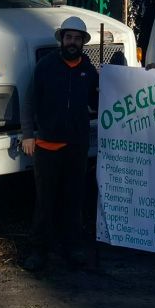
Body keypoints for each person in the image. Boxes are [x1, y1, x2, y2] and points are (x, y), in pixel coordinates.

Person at [21, 15, 99, 272]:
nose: (72, 42)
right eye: (69, 37)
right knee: (45, 201)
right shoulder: (46, 66)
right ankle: (38, 250)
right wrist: (28, 134)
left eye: (77, 38)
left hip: (76, 146)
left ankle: (72, 247)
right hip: (47, 145)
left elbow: (100, 100)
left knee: (73, 199)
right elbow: (29, 100)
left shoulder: (89, 70)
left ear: (83, 42)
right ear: (62, 39)